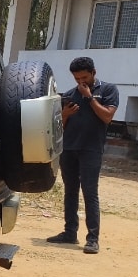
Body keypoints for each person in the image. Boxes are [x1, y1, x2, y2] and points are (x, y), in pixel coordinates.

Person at [46, 56, 119, 254]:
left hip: (91, 149)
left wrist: (89, 97)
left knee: (90, 192)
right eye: (77, 79)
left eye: (84, 78)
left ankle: (92, 239)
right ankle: (70, 232)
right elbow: (59, 127)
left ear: (93, 72)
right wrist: (65, 115)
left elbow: (107, 117)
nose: (81, 82)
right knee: (70, 191)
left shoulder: (108, 90)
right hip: (69, 149)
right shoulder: (70, 94)